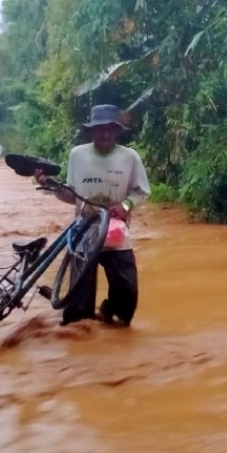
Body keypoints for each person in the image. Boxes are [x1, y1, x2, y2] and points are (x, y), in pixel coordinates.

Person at [36, 104, 151, 326]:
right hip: (84, 233)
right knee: (78, 311)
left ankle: (109, 311)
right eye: (100, 129)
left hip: (115, 232)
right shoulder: (77, 155)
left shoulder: (130, 157)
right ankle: (79, 335)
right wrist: (49, 185)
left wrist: (126, 205)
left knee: (127, 297)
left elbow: (142, 191)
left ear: (117, 131)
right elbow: (71, 195)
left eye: (110, 129)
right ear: (92, 131)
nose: (105, 134)